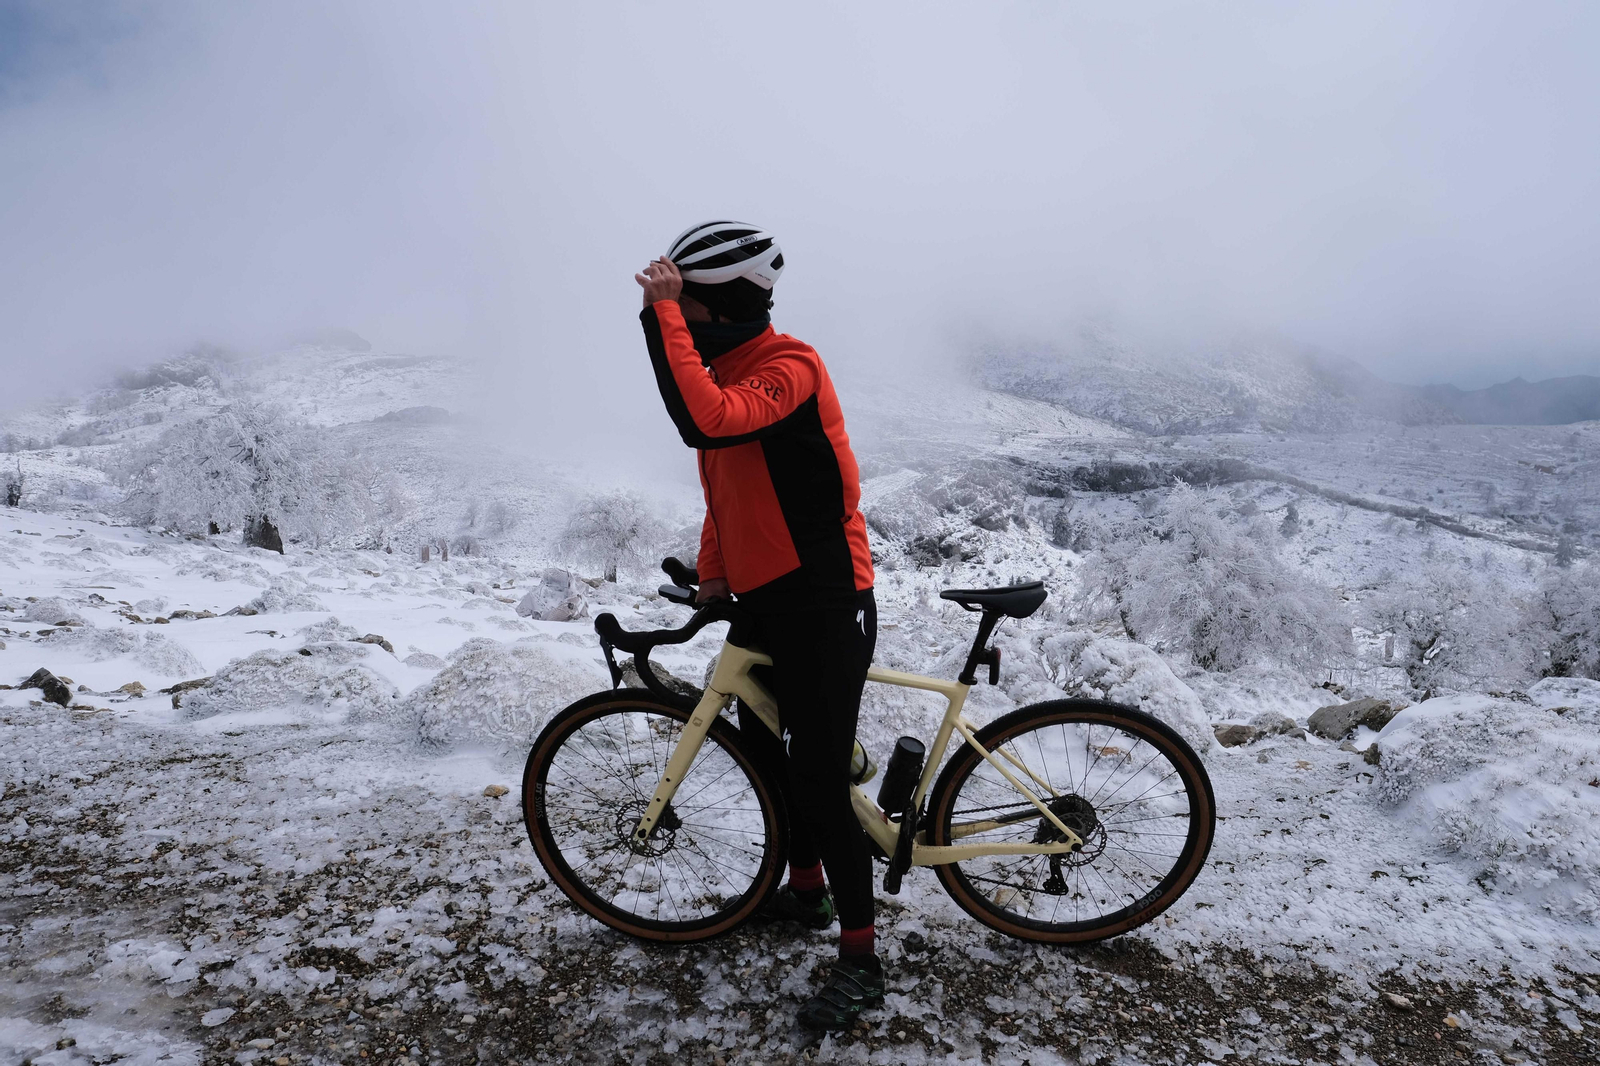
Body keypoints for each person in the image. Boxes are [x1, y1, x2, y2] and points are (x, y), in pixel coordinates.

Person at [635, 221, 882, 1031]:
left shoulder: (788, 367)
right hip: (766, 598)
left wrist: (660, 316)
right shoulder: (725, 366)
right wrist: (714, 575)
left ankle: (860, 958)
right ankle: (805, 894)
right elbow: (726, 490)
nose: (688, 321)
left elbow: (705, 421)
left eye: (695, 307)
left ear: (728, 302)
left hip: (822, 597)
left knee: (818, 781)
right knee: (769, 752)